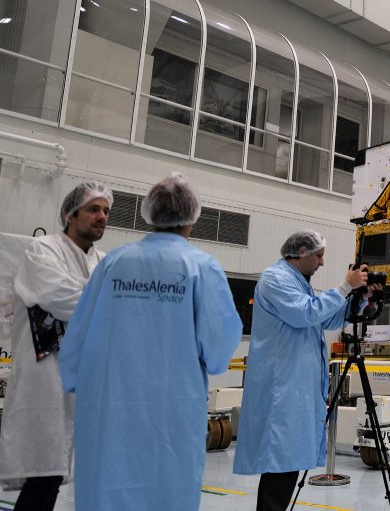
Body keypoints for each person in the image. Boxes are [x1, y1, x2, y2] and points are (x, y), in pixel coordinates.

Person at [60, 173, 243, 510]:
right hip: (170, 414)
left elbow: (78, 334)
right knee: (165, 494)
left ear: (151, 213)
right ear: (193, 216)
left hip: (107, 410)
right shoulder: (201, 267)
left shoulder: (114, 262)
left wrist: (75, 383)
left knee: (106, 490)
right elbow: (219, 348)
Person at [234, 231, 373, 511]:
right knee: (280, 469)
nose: (322, 263)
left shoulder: (299, 283)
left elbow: (324, 317)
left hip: (295, 390)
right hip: (281, 390)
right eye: (318, 256)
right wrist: (345, 287)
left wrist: (358, 299)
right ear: (300, 251)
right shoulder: (276, 279)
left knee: (287, 466)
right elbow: (306, 313)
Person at [0, 182, 112, 511]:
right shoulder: (43, 251)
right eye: (93, 209)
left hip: (84, 382)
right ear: (70, 214)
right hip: (44, 380)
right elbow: (61, 297)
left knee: (57, 476)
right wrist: (104, 301)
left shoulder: (103, 262)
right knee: (43, 474)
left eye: (106, 210)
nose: (102, 216)